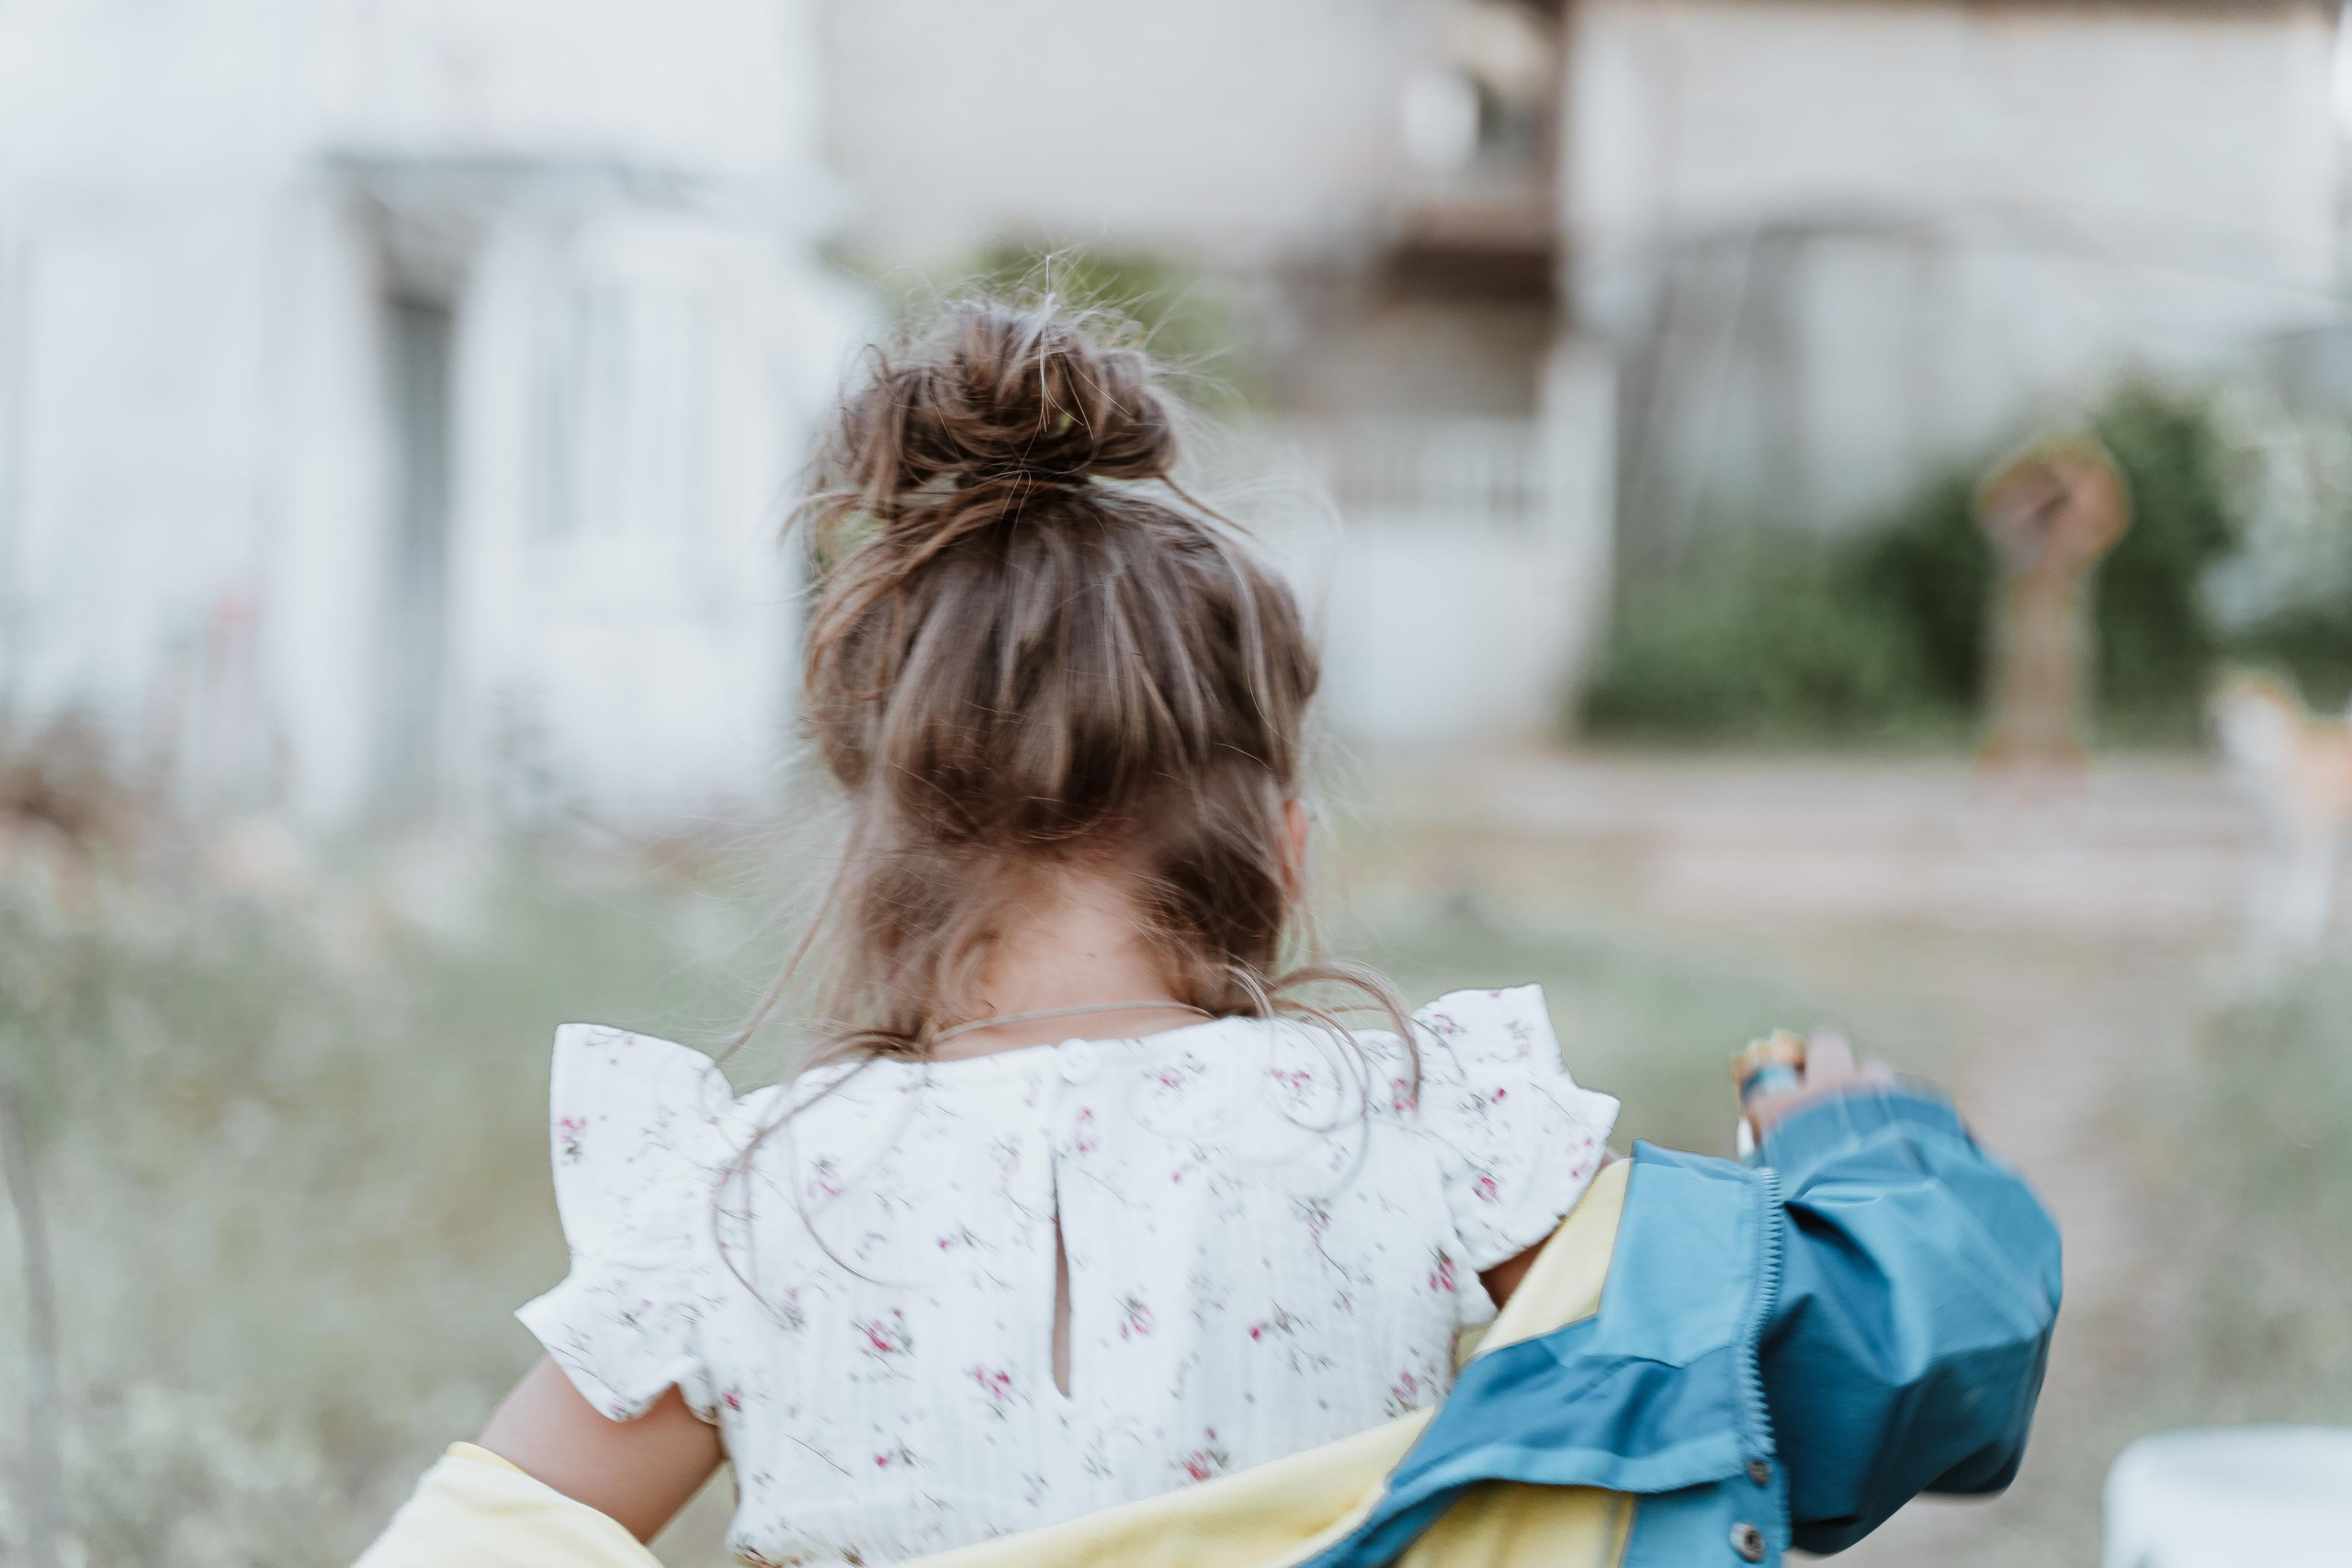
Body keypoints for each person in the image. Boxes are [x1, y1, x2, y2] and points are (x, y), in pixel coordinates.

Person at [356, 298, 2060, 1568]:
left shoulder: (741, 1209)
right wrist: (1856, 1150)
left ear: (872, 860)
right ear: (1286, 855)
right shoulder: (1422, 1135)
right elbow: (1883, 1371)